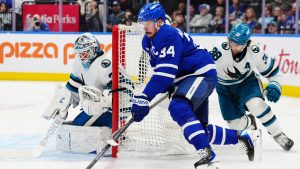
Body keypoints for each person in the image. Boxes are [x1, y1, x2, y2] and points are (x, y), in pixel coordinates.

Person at [131, 3, 260, 169]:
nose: (145, 27)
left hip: (199, 74)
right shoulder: (147, 42)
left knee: (177, 108)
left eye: (148, 23)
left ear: (159, 22)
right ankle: (243, 137)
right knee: (198, 130)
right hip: (187, 79)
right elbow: (161, 75)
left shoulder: (167, 34)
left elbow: (165, 74)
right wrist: (154, 95)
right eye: (143, 24)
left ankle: (209, 156)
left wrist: (144, 97)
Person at [42, 33, 133, 154]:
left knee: (79, 135)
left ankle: (114, 135)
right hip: (97, 108)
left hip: (117, 109)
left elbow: (127, 89)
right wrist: (63, 101)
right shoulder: (78, 64)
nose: (81, 56)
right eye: (78, 53)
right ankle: (113, 132)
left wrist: (104, 102)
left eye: (84, 52)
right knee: (76, 128)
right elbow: (73, 88)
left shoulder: (106, 64)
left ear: (93, 50)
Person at [210, 23, 294, 152]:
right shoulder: (219, 48)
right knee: (234, 124)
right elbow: (205, 67)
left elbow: (274, 73)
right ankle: (250, 123)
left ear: (246, 44)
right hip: (223, 88)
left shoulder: (255, 51)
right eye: (231, 41)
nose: (232, 45)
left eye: (237, 44)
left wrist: (275, 85)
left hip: (246, 83)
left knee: (256, 105)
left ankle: (278, 134)